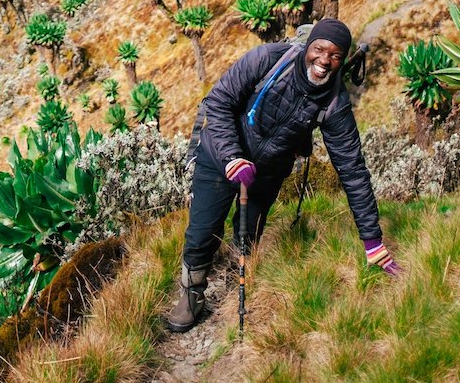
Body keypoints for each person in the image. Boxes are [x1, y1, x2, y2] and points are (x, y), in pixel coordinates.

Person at [166, 18, 401, 333]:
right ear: (307, 47)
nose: (324, 61)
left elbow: (353, 170)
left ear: (343, 60)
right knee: (202, 231)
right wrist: (233, 157)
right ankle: (192, 294)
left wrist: (372, 241)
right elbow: (218, 103)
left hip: (268, 172)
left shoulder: (334, 103)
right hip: (219, 157)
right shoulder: (267, 59)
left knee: (250, 232)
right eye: (319, 50)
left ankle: (243, 265)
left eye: (335, 55)